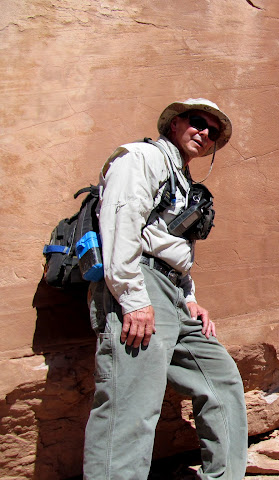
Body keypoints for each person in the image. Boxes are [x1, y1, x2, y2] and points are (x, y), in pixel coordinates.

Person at [83, 99, 248, 479]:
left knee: (221, 381)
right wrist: (133, 298)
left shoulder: (183, 181)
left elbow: (172, 247)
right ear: (174, 124)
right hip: (140, 286)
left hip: (173, 294)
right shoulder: (142, 157)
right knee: (131, 403)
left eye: (213, 131)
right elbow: (121, 221)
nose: (205, 133)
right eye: (197, 122)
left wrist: (188, 298)